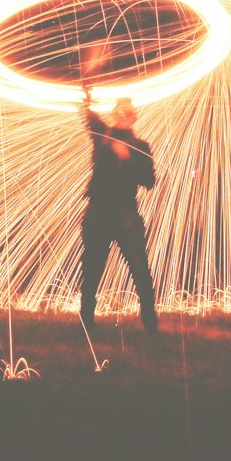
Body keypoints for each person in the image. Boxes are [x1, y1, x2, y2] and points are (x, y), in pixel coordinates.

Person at [79, 87, 158, 335]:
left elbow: (150, 181)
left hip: (125, 213)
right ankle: (86, 319)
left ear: (134, 116)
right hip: (99, 211)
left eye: (129, 111)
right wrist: (86, 95)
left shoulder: (140, 146)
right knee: (92, 265)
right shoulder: (102, 135)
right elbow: (88, 116)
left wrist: (129, 158)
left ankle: (150, 321)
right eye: (120, 110)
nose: (125, 114)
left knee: (139, 267)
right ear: (115, 113)